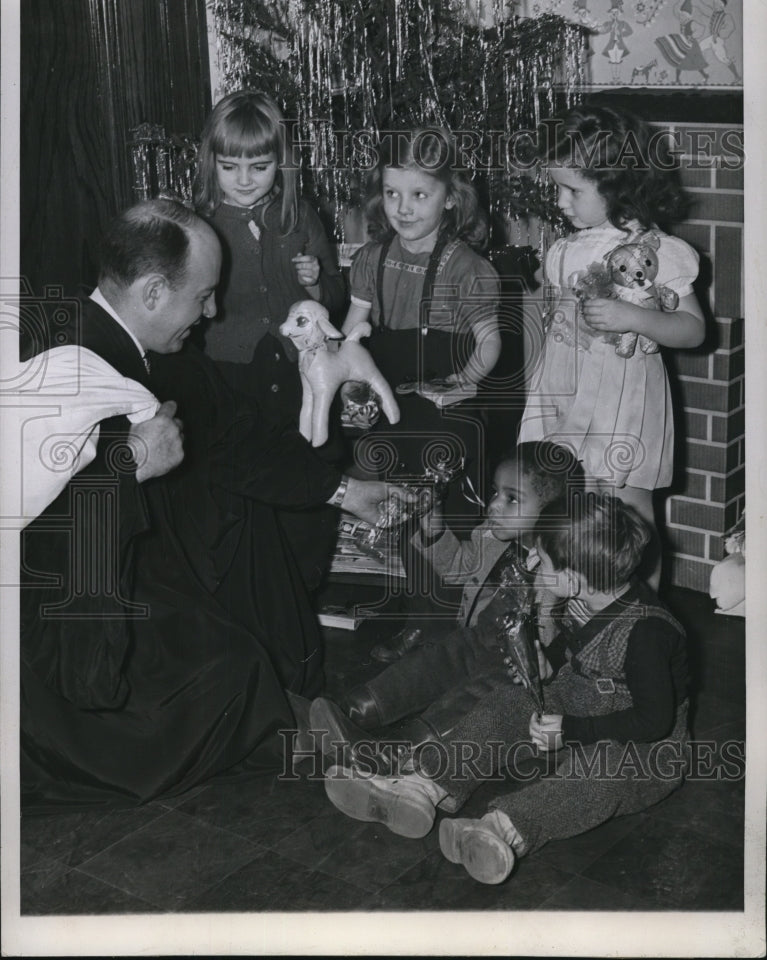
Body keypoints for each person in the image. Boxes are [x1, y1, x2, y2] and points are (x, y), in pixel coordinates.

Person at [19, 198, 407, 812]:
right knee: (220, 671)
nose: (212, 311)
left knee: (242, 596)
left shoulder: (153, 352)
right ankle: (299, 740)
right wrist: (131, 465)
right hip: (57, 612)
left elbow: (235, 436)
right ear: (152, 292)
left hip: (129, 568)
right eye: (202, 296)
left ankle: (298, 726)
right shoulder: (56, 363)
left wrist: (348, 492)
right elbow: (40, 531)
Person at [319, 493, 691, 886]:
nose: (532, 563)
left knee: (601, 771)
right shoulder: (585, 597)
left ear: (572, 579)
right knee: (507, 703)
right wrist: (551, 662)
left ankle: (500, 830)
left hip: (646, 748)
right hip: (580, 706)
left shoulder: (649, 632)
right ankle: (423, 785)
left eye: (542, 560)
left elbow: (653, 721)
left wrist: (570, 732)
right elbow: (577, 647)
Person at [517, 104, 705, 588]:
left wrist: (636, 317)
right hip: (565, 389)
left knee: (629, 510)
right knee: (568, 503)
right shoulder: (565, 248)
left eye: (572, 189)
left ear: (617, 184)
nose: (560, 201)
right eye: (558, 186)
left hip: (625, 400)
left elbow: (693, 329)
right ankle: (580, 604)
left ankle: (642, 613)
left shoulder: (653, 250)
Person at [307, 442, 583, 770]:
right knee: (429, 664)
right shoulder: (493, 536)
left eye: (512, 499)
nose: (494, 504)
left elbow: (558, 639)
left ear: (554, 511)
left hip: (516, 670)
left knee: (473, 697)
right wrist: (432, 523)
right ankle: (351, 710)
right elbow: (457, 567)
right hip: (475, 639)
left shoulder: (563, 567)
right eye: (495, 492)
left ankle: (397, 753)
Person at [192, 90, 347, 588]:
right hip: (232, 377)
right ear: (210, 163)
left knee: (305, 476)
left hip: (300, 375)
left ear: (280, 165)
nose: (243, 181)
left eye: (258, 167)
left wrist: (313, 282)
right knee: (246, 487)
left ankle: (302, 585)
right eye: (230, 167)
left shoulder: (298, 217)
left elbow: (335, 301)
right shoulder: (200, 223)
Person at [341, 124, 502, 527]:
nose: (403, 208)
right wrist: (351, 393)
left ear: (450, 198)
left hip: (442, 407)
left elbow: (489, 342)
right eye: (393, 193)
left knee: (442, 517)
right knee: (387, 507)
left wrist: (463, 382)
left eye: (419, 195)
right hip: (388, 404)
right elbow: (349, 342)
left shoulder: (467, 268)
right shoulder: (370, 259)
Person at [654, 0, 709, 85]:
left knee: (695, 62)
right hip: (684, 44)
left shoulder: (691, 23)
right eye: (680, 16)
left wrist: (692, 36)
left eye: (683, 16)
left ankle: (705, 75)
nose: (681, 17)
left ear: (688, 16)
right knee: (679, 61)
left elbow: (701, 29)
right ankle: (677, 80)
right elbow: (675, 10)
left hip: (692, 46)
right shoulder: (682, 22)